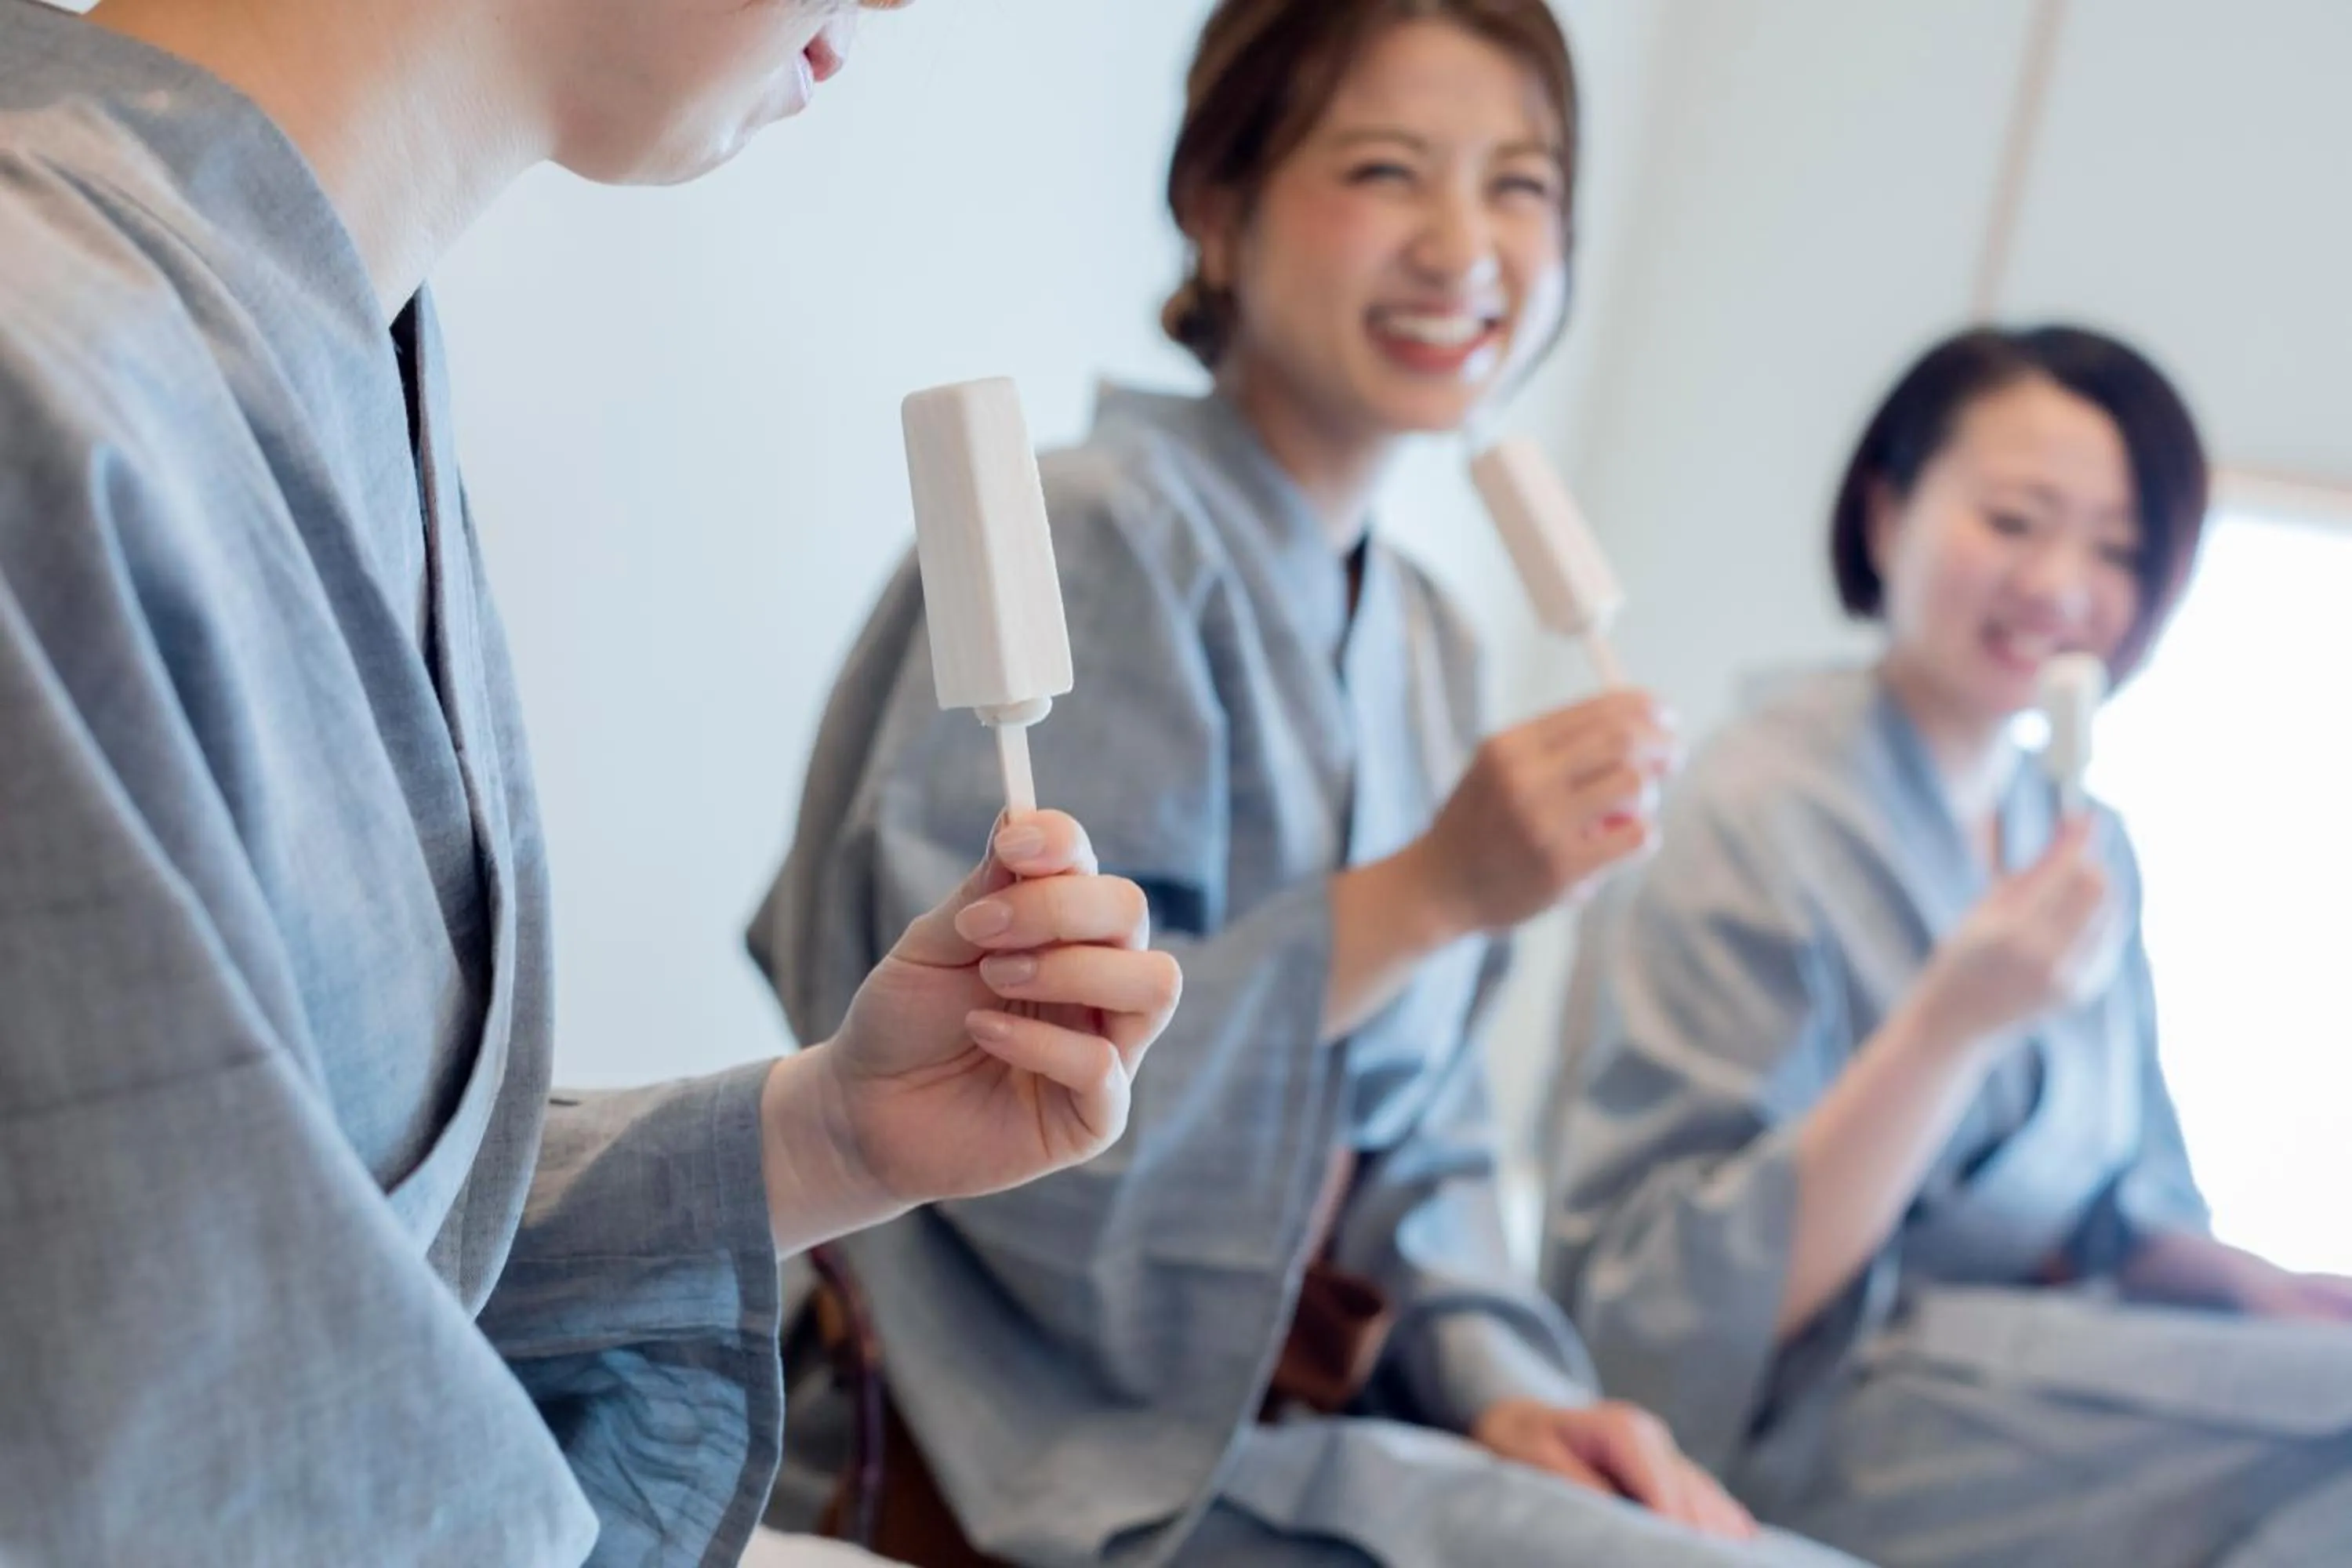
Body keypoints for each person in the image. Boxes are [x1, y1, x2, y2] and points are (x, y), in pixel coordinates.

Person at [0, 0, 1180, 1562]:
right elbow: (168, 1424)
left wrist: (823, 1135)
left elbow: (292, 1255)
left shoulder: (311, 329)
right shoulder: (53, 383)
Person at [753, 2, 1861, 1563]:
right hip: (1047, 1439)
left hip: (1317, 1424)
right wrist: (1424, 899)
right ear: (1221, 200)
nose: (1465, 245)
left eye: (1523, 184)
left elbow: (1431, 1142)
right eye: (1390, 170)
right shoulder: (1087, 540)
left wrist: (1505, 1395)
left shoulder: (1426, 637)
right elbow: (1001, 1103)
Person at [1542, 325, 2352, 1567]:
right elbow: (1647, 1316)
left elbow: (2123, 1200)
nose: (2061, 585)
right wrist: (1947, 1031)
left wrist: (2261, 1298)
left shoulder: (2084, 841)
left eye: (2118, 549)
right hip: (1829, 1408)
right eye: (2017, 520)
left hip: (2046, 1364)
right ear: (1886, 515)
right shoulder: (1752, 810)